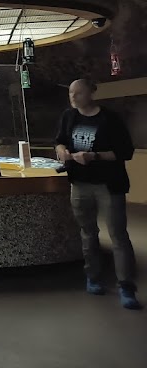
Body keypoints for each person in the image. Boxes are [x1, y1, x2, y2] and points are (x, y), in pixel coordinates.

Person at [55, 78, 140, 310]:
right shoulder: (68, 117)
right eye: (71, 93)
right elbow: (60, 143)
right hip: (79, 184)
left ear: (91, 93)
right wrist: (63, 152)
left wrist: (94, 156)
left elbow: (125, 152)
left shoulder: (110, 119)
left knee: (118, 236)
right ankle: (92, 277)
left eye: (78, 93)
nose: (73, 97)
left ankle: (126, 286)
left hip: (108, 185)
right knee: (88, 233)